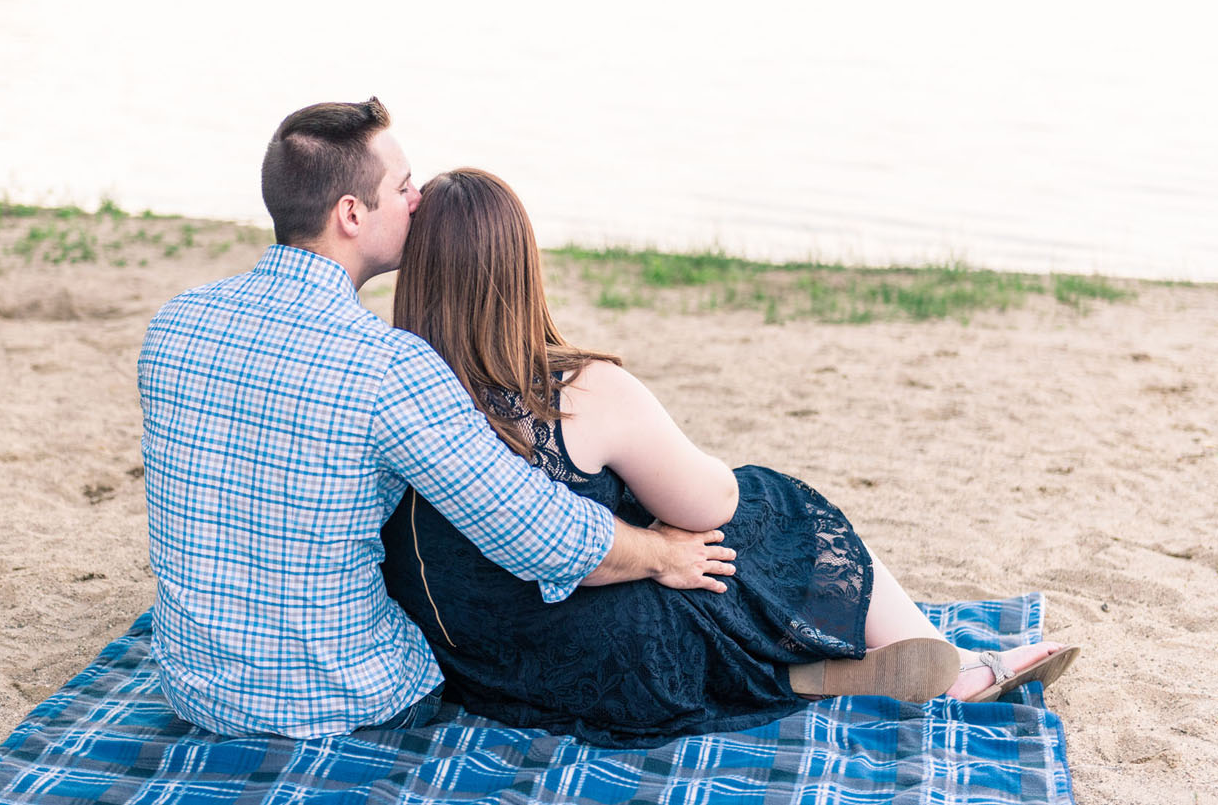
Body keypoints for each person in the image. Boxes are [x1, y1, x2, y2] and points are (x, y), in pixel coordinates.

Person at [380, 167, 1079, 746]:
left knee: (653, 523)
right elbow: (712, 503)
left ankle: (804, 670)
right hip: (625, 667)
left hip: (481, 670)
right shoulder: (580, 391)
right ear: (522, 268)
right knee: (769, 501)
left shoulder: (389, 397)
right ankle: (952, 667)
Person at [137, 98, 743, 740]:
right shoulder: (386, 366)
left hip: (193, 687)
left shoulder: (175, 321)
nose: (417, 197)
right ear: (351, 214)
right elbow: (539, 532)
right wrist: (659, 554)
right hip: (339, 700)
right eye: (402, 187)